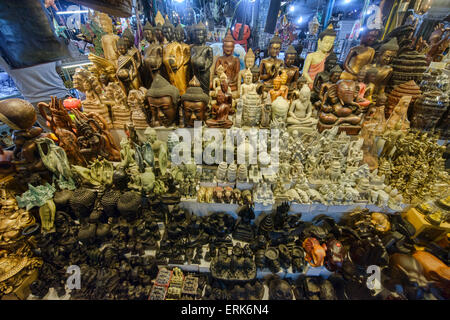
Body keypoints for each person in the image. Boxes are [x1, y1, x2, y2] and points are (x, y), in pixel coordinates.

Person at [0, 0, 70, 130]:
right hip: (61, 96)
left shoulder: (8, 55)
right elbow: (58, 67)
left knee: (57, 136)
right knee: (76, 128)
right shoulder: (45, 46)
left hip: (37, 103)